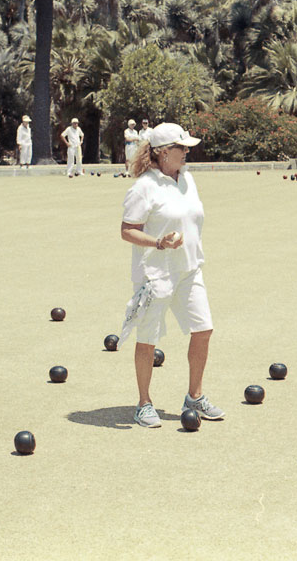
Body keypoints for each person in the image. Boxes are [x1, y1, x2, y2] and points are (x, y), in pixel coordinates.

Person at [119, 122, 224, 428]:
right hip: (155, 274)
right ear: (164, 153)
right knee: (148, 338)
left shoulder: (187, 180)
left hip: (190, 269)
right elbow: (127, 231)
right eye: (182, 148)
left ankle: (194, 396)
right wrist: (158, 243)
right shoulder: (143, 187)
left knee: (203, 329)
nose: (187, 152)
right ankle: (144, 403)